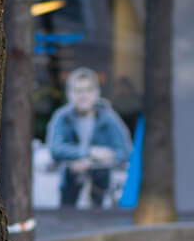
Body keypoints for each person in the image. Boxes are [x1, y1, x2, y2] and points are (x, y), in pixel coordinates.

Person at [45, 68, 133, 209]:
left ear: (96, 93)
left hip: (101, 189)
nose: (83, 95)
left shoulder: (109, 118)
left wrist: (92, 163)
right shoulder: (62, 118)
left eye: (87, 90)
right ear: (70, 94)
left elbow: (124, 151)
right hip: (68, 189)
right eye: (78, 91)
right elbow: (55, 149)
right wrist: (89, 152)